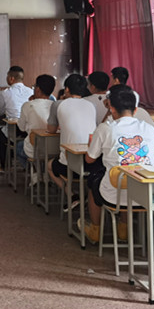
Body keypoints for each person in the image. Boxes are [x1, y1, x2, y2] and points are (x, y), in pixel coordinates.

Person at [81, 85, 154, 243]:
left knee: (93, 183)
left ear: (111, 108)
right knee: (129, 180)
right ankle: (124, 229)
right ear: (135, 110)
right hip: (146, 194)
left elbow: (89, 159)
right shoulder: (149, 129)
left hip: (113, 194)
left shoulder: (105, 129)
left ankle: (95, 229)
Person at [46, 74, 98, 209]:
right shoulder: (90, 105)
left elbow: (51, 130)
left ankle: (72, 195)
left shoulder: (58, 104)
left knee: (50, 165)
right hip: (93, 162)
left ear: (67, 89)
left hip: (70, 164)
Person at [0, 66, 34, 171]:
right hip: (29, 130)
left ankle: (5, 166)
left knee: (0, 133)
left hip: (15, 130)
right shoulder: (31, 92)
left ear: (11, 78)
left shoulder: (5, 93)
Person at [16, 74, 56, 181]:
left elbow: (21, 128)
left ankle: (35, 173)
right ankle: (45, 174)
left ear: (37, 89)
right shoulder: (55, 105)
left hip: (34, 149)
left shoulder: (27, 105)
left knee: (19, 147)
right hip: (54, 150)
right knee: (46, 155)